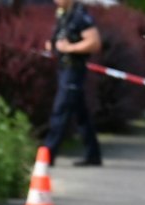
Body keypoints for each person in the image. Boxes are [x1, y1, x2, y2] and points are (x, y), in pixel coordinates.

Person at [45, 0, 104, 167]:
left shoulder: (80, 16)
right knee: (81, 114)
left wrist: (69, 48)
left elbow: (94, 42)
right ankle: (93, 154)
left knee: (60, 110)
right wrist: (53, 45)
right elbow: (62, 39)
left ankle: (48, 153)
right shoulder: (64, 15)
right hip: (63, 69)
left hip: (73, 70)